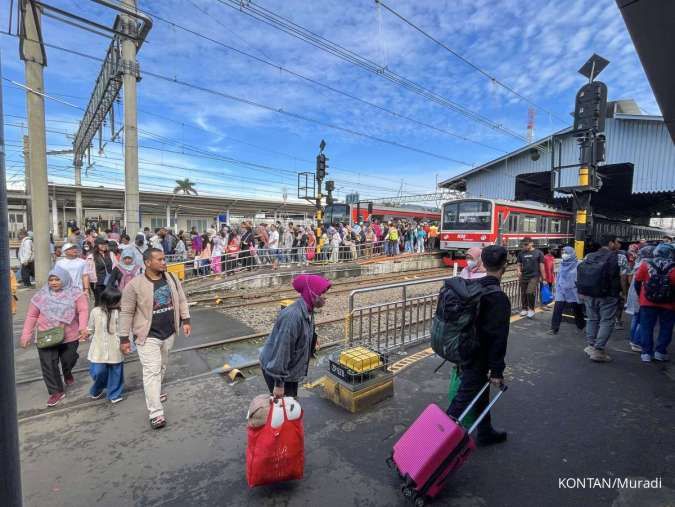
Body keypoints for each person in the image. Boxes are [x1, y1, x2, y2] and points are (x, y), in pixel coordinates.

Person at [118, 248, 191, 429]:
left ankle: (156, 392)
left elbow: (181, 300)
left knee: (161, 366)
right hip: (147, 335)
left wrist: (186, 319)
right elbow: (126, 312)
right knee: (151, 371)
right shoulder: (134, 285)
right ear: (148, 263)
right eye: (159, 259)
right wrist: (124, 338)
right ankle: (156, 412)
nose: (164, 262)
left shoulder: (172, 279)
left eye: (164, 259)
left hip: (169, 333)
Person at [447, 245, 510, 446]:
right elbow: (497, 338)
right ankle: (432, 446)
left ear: (483, 262)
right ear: (505, 266)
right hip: (478, 357)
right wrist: (497, 371)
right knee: (460, 403)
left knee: (480, 393)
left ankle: (485, 431)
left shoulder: (473, 287)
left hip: (464, 350)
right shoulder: (498, 297)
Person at [19, 267, 89, 407]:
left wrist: (82, 327)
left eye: (57, 279)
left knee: (68, 359)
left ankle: (67, 371)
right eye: (51, 280)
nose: (54, 282)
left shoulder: (75, 293)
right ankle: (56, 392)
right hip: (46, 335)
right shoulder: (41, 295)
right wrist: (26, 334)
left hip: (69, 335)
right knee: (48, 365)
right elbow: (32, 315)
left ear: (65, 279)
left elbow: (83, 310)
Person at [259, 274, 332, 398]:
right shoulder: (293, 317)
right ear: (311, 293)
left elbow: (300, 334)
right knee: (284, 408)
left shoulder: (308, 309)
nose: (325, 296)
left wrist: (311, 339)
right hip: (277, 371)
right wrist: (279, 385)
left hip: (289, 371)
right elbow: (282, 351)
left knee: (290, 403)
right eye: (322, 292)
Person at [580, 234, 622, 363]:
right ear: (610, 243)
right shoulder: (618, 257)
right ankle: (598, 351)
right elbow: (624, 276)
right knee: (606, 321)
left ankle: (591, 346)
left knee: (592, 319)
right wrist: (623, 293)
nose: (618, 244)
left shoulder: (589, 256)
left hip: (589, 293)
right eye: (616, 242)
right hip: (608, 295)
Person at [633, 243, 674, 362]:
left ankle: (646, 353)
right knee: (666, 328)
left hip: (647, 302)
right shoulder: (674, 267)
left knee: (646, 327)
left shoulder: (646, 264)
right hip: (669, 304)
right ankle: (660, 352)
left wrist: (640, 295)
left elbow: (637, 281)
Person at [87, 287, 125, 404]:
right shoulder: (95, 312)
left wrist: (125, 343)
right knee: (98, 372)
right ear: (109, 300)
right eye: (117, 300)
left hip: (116, 348)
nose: (120, 302)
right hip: (98, 349)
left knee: (116, 372)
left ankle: (114, 394)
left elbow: (124, 330)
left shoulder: (120, 313)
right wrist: (88, 335)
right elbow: (91, 328)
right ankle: (97, 388)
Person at [548, 246, 585, 335]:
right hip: (562, 290)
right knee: (557, 308)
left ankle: (581, 325)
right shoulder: (562, 263)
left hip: (573, 290)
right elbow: (559, 276)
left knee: (577, 309)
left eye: (566, 253)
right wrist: (556, 289)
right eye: (563, 252)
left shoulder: (579, 264)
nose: (564, 254)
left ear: (571, 254)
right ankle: (554, 328)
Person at [625, 245, 655, 352]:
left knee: (636, 318)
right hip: (641, 296)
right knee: (643, 320)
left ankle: (633, 339)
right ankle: (637, 342)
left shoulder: (638, 263)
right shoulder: (648, 265)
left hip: (634, 294)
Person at [516, 237, 546, 319]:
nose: (524, 246)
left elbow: (541, 265)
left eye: (526, 244)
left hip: (534, 276)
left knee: (530, 292)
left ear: (531, 243)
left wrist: (544, 277)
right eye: (523, 245)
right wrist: (518, 271)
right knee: (523, 293)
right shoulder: (521, 253)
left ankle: (531, 309)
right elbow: (518, 264)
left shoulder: (538, 253)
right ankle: (524, 308)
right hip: (524, 276)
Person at [87, 237, 116, 306]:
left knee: (109, 300)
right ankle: (98, 316)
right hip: (97, 282)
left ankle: (108, 315)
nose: (104, 245)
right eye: (101, 244)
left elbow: (116, 266)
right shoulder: (91, 256)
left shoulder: (111, 254)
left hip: (109, 281)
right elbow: (87, 271)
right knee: (99, 301)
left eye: (105, 244)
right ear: (96, 245)